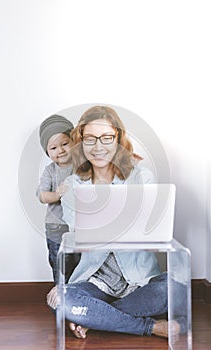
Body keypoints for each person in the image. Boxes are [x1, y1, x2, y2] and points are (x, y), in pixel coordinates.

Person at [51, 106, 187, 339]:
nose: (98, 147)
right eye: (90, 139)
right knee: (65, 300)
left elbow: (153, 227)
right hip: (96, 280)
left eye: (106, 138)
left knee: (174, 289)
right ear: (80, 142)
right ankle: (151, 327)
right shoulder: (72, 185)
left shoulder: (141, 176)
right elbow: (80, 235)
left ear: (118, 140)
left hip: (141, 278)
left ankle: (95, 320)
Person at [36, 114, 80, 285]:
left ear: (74, 142)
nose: (60, 150)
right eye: (53, 148)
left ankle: (79, 296)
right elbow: (42, 195)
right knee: (60, 264)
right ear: (47, 152)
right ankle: (60, 293)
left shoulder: (82, 165)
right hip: (56, 227)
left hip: (80, 226)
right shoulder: (50, 171)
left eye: (64, 144)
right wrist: (57, 194)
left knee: (81, 263)